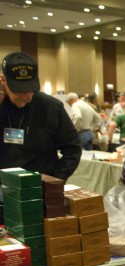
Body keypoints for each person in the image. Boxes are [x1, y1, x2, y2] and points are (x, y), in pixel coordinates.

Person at [0, 52, 81, 180]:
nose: (26, 97)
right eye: (19, 91)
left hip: (40, 189)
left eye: (30, 89)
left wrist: (56, 179)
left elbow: (73, 148)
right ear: (3, 81)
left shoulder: (51, 107)